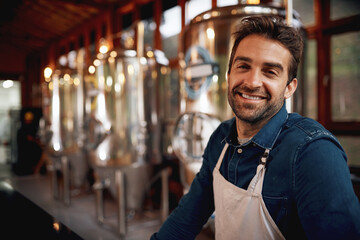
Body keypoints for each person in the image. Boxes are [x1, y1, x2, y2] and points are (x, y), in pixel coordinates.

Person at [151, 15, 360, 239]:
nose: (251, 82)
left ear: (289, 87)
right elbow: (187, 217)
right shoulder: (220, 139)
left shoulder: (313, 153)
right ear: (229, 75)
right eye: (243, 66)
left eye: (270, 71)